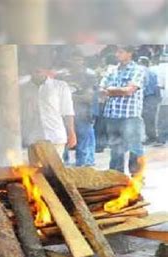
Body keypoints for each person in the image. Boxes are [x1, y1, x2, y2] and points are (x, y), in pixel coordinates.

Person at [100, 46, 145, 175]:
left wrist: (110, 90)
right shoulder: (111, 69)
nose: (117, 54)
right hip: (112, 115)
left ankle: (136, 177)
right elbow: (100, 90)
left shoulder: (138, 69)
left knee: (134, 147)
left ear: (130, 53)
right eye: (117, 51)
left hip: (130, 116)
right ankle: (116, 176)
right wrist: (119, 90)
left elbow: (129, 91)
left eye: (120, 52)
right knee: (115, 147)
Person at [20, 68, 77, 159]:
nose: (37, 71)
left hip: (55, 135)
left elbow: (68, 111)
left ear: (46, 69)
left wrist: (71, 133)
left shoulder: (60, 86)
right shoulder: (23, 88)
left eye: (40, 68)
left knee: (55, 169)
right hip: (33, 137)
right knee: (35, 170)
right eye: (34, 68)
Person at [59, 51, 97, 166]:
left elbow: (89, 97)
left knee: (83, 141)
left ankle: (82, 165)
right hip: (65, 113)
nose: (77, 62)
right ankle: (63, 165)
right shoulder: (62, 75)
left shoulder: (89, 75)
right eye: (74, 59)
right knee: (64, 140)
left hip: (83, 113)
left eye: (79, 60)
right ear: (69, 60)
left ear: (83, 61)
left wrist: (68, 97)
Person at [138, 56, 161, 145]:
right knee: (150, 119)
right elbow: (157, 86)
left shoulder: (140, 71)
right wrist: (158, 98)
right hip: (151, 97)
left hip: (143, 97)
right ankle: (151, 136)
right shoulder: (153, 73)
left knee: (143, 118)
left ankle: (150, 137)